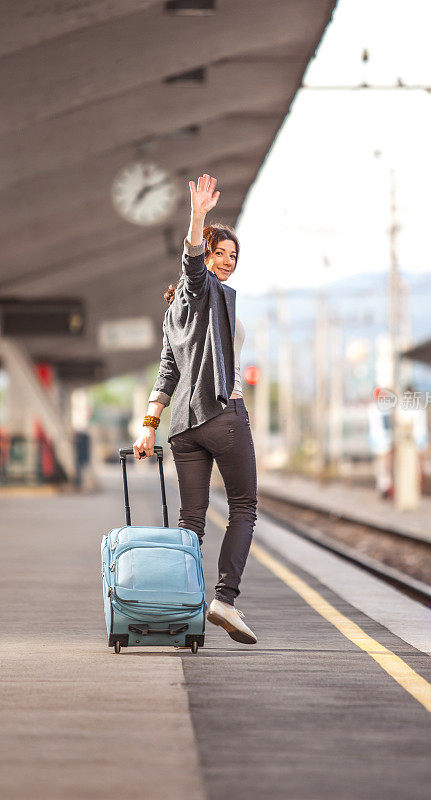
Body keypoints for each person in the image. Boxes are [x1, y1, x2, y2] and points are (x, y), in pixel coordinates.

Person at [133, 173, 258, 645]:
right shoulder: (202, 290)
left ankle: (182, 607)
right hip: (223, 416)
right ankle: (224, 599)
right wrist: (198, 217)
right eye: (218, 254)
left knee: (192, 522)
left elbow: (167, 371)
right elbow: (190, 266)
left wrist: (149, 426)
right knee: (244, 505)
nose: (226, 263)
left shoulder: (172, 313)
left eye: (232, 256)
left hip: (184, 428)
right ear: (205, 257)